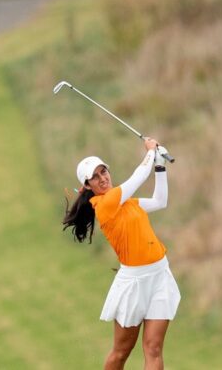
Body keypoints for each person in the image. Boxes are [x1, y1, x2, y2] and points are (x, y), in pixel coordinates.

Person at [63, 136, 179, 370]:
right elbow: (137, 177)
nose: (102, 178)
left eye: (103, 171)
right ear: (87, 186)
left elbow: (160, 201)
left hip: (159, 275)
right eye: (94, 177)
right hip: (133, 282)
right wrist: (150, 152)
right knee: (121, 352)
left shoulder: (126, 202)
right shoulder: (104, 204)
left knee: (154, 349)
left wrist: (159, 166)